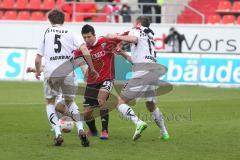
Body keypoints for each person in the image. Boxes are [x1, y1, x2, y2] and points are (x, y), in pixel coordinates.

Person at [35, 9, 97, 147]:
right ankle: (80, 129)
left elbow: (38, 58)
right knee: (70, 102)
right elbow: (85, 50)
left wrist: (37, 71)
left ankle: (58, 134)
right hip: (68, 72)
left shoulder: (46, 33)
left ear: (50, 20)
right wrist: (91, 68)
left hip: (51, 72)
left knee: (50, 103)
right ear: (63, 20)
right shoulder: (71, 32)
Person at [105, 16, 170, 141]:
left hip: (142, 72)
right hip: (153, 71)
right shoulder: (149, 37)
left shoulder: (137, 29)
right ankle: (164, 132)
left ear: (138, 23)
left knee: (119, 102)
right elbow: (136, 59)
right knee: (151, 105)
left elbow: (133, 38)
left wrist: (116, 36)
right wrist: (123, 53)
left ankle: (138, 122)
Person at [74, 24, 122, 140]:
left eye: (89, 37)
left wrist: (119, 46)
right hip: (91, 82)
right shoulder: (81, 50)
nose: (86, 40)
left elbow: (120, 39)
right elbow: (78, 63)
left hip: (106, 78)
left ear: (94, 35)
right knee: (86, 114)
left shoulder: (104, 41)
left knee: (102, 100)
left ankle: (105, 130)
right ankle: (93, 130)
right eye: (84, 37)